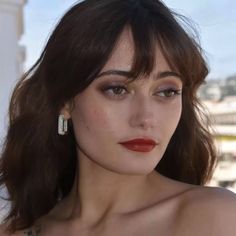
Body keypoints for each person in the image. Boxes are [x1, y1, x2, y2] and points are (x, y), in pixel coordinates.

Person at [0, 0, 236, 235]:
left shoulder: (216, 218)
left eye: (167, 92)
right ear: (65, 102)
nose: (146, 118)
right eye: (117, 89)